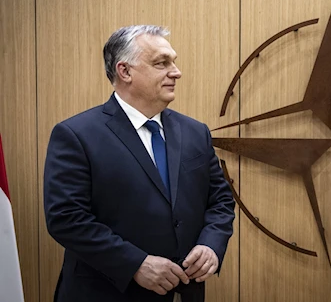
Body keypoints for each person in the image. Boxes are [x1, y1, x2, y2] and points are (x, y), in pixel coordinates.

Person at [44, 25, 236, 302]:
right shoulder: (76, 134)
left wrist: (210, 246)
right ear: (125, 71)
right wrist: (135, 263)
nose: (176, 72)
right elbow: (66, 219)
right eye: (161, 63)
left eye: (174, 62)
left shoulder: (196, 132)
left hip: (185, 291)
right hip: (106, 292)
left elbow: (220, 201)